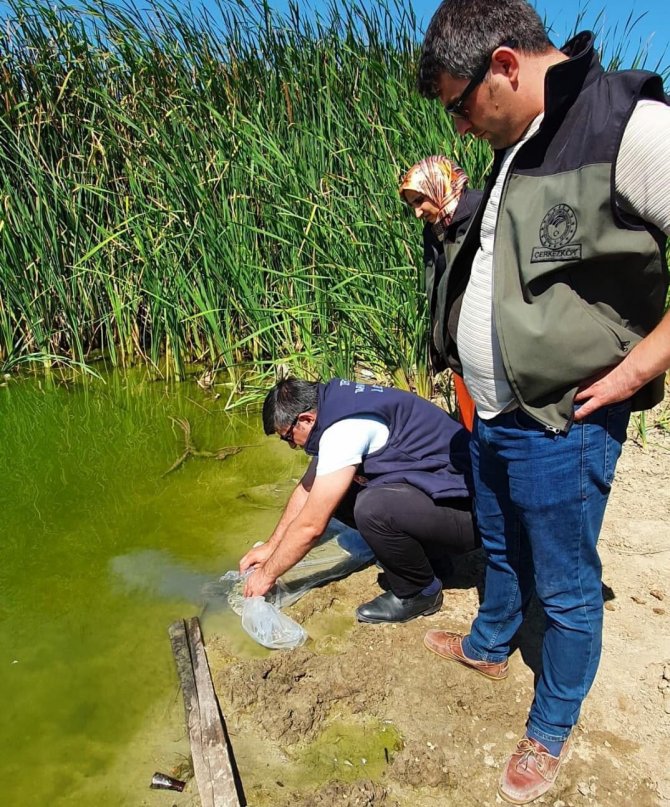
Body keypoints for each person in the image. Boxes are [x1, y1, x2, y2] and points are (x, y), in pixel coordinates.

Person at [415, 1, 670, 803]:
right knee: (498, 544)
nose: (459, 126)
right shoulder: (518, 141)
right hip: (491, 412)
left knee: (565, 586)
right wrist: (449, 216)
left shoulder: (628, 125)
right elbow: (523, 258)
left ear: (503, 64)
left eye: (460, 104)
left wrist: (636, 371)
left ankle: (551, 726)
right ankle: (491, 642)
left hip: (565, 421)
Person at [239, 377, 479, 623]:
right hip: (445, 498)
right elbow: (308, 489)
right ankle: (431, 562)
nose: (291, 446)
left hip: (472, 514)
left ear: (306, 419)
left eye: (288, 437)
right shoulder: (334, 404)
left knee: (372, 507)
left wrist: (267, 575)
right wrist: (271, 547)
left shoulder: (343, 431)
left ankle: (418, 591)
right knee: (337, 493)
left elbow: (311, 527)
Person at [398, 155, 482, 430]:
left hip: (486, 338)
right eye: (412, 205)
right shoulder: (434, 230)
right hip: (457, 342)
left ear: (439, 186)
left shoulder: (481, 212)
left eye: (419, 201)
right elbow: (436, 286)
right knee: (471, 425)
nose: (417, 212)